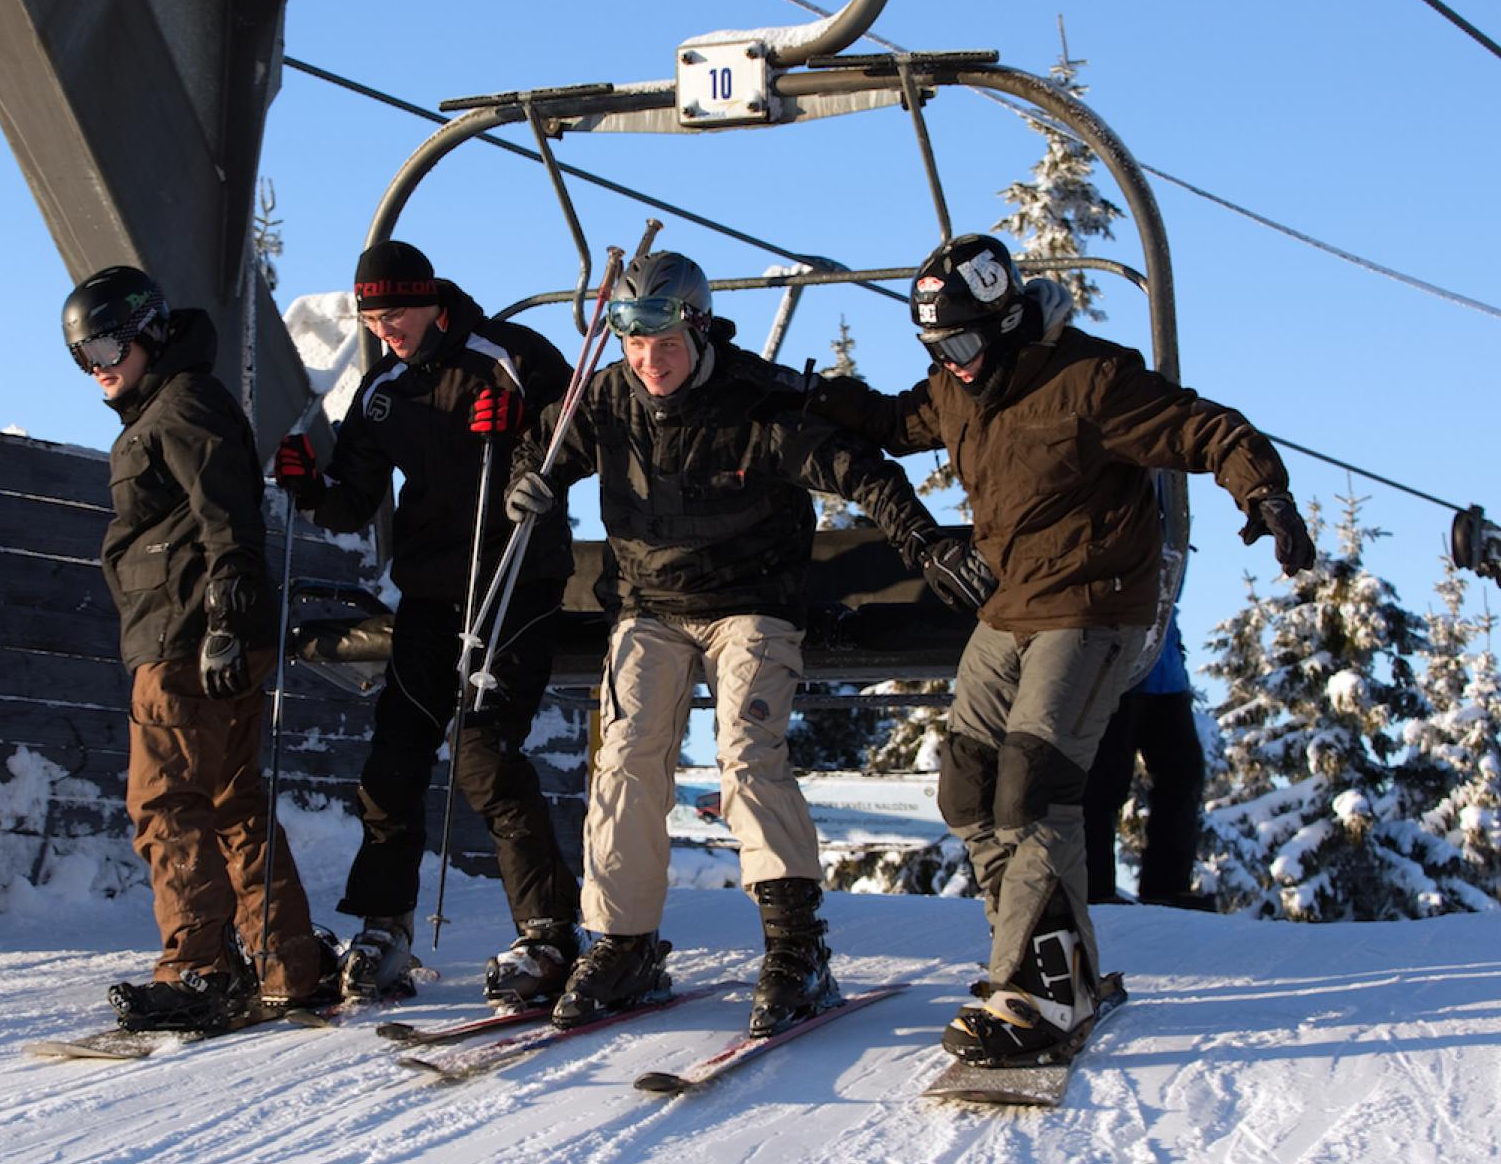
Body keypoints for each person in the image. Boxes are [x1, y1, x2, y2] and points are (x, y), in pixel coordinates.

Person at [806, 232, 1313, 1065]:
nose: (952, 363)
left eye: (962, 344)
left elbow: (1206, 429)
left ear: (1006, 322)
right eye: (936, 348)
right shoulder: (959, 386)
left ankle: (1035, 990)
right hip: (1010, 606)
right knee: (968, 787)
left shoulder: (1092, 380)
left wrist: (1266, 495)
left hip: (1094, 606)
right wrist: (811, 395)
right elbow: (896, 422)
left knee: (1034, 790)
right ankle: (1050, 962)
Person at [504, 249, 980, 1037]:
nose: (649, 363)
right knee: (626, 758)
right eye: (635, 345)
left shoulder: (755, 403)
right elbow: (542, 453)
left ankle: (797, 946)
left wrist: (926, 545)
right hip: (650, 603)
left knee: (747, 753)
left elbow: (860, 472)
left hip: (752, 602)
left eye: (665, 345)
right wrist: (532, 482)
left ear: (698, 330)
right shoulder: (609, 398)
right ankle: (624, 942)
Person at [272, 240, 583, 1009]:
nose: (386, 331)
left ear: (428, 300)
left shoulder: (508, 355)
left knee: (483, 756)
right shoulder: (384, 387)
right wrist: (309, 486)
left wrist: (524, 439)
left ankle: (549, 932)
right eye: (372, 320)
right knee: (393, 761)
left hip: (513, 581)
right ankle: (386, 928)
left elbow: (586, 433)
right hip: (430, 594)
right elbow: (354, 498)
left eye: (395, 315)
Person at [64, 265, 327, 1032]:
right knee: (230, 800)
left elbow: (228, 512)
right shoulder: (176, 403)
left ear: (148, 331)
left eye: (107, 345)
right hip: (196, 629)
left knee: (165, 802)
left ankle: (199, 968)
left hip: (185, 636)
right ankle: (284, 962)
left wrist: (224, 615)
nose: (97, 366)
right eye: (81, 355)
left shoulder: (180, 404)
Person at [1083, 606, 1213, 909]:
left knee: (1183, 774)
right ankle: (1094, 887)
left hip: (1165, 668)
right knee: (1104, 780)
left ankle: (1168, 887)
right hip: (1110, 663)